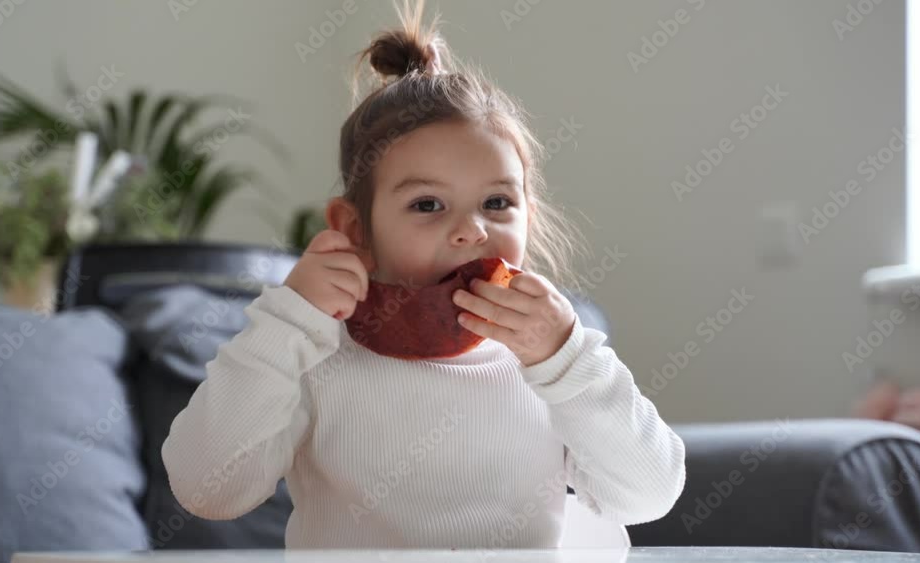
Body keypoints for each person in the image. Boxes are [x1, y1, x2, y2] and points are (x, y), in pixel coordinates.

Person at [162, 0, 685, 550]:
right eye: (428, 205)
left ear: (529, 216)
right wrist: (287, 322)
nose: (472, 230)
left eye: (497, 202)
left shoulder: (548, 362)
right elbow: (207, 491)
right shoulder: (317, 353)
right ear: (356, 230)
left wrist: (568, 358)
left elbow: (647, 496)